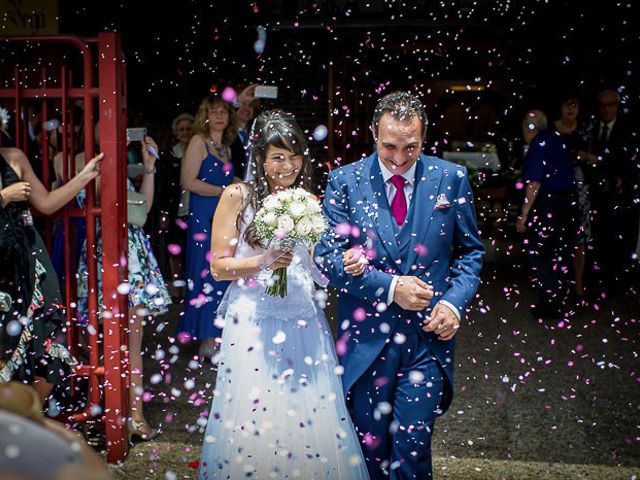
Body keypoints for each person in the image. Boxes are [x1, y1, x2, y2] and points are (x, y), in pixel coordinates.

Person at [315, 91, 484, 479]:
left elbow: (471, 253)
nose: (399, 157)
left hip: (427, 342)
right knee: (369, 456)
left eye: (411, 146)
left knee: (413, 453)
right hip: (366, 344)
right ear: (373, 131)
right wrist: (392, 289)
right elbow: (329, 260)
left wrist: (453, 304)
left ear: (424, 137)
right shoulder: (344, 182)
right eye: (389, 145)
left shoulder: (450, 178)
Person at [198, 110, 369, 479]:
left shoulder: (307, 200)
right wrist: (264, 261)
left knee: (307, 408)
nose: (288, 165)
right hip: (253, 319)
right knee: (254, 410)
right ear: (259, 158)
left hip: (303, 316)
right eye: (278, 157)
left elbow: (316, 264)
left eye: (295, 156)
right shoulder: (236, 196)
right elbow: (218, 266)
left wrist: (347, 259)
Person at [0, 108, 102, 406]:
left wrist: (84, 177)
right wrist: (4, 197)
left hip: (27, 260)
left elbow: (45, 202)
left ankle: (25, 419)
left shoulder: (13, 157)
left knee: (44, 337)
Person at [76, 135, 171, 442]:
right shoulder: (81, 159)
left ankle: (135, 416)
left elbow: (143, 211)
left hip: (134, 253)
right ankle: (100, 413)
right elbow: (106, 202)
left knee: (132, 340)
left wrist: (149, 167)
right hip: (102, 251)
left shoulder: (128, 166)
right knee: (98, 338)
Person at [177, 96, 238, 358]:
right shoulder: (198, 142)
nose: (219, 117)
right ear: (205, 116)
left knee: (224, 273)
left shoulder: (226, 147)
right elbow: (188, 181)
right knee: (205, 273)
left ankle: (220, 334)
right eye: (213, 112)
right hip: (203, 217)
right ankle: (204, 339)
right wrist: (224, 191)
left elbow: (227, 178)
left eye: (223, 112)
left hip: (224, 217)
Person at [516, 109, 578, 319]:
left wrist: (523, 214)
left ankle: (552, 300)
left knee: (536, 253)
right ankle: (554, 300)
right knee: (556, 252)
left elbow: (534, 182)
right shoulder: (557, 140)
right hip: (569, 201)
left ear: (529, 128)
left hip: (549, 202)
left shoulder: (538, 144)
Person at [585, 88, 638, 292]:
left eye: (610, 104)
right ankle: (599, 275)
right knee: (598, 234)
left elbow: (632, 160)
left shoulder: (628, 130)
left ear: (617, 107)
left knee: (621, 235)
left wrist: (622, 178)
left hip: (620, 194)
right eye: (602, 105)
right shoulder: (591, 128)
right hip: (597, 192)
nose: (605, 109)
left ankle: (619, 278)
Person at [551, 94, 592, 299]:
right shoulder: (551, 130)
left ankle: (578, 282)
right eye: (567, 104)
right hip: (556, 187)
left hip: (579, 188)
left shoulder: (584, 131)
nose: (570, 109)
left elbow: (595, 158)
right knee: (558, 236)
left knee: (579, 238)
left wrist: (586, 157)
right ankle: (558, 282)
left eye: (574, 105)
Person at [155, 113, 195, 300]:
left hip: (195, 208)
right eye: (181, 129)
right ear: (176, 133)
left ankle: (193, 288)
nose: (185, 132)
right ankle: (178, 289)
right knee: (175, 251)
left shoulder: (199, 153)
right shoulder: (170, 155)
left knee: (193, 251)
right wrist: (163, 213)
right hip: (175, 210)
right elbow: (162, 186)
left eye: (188, 129)